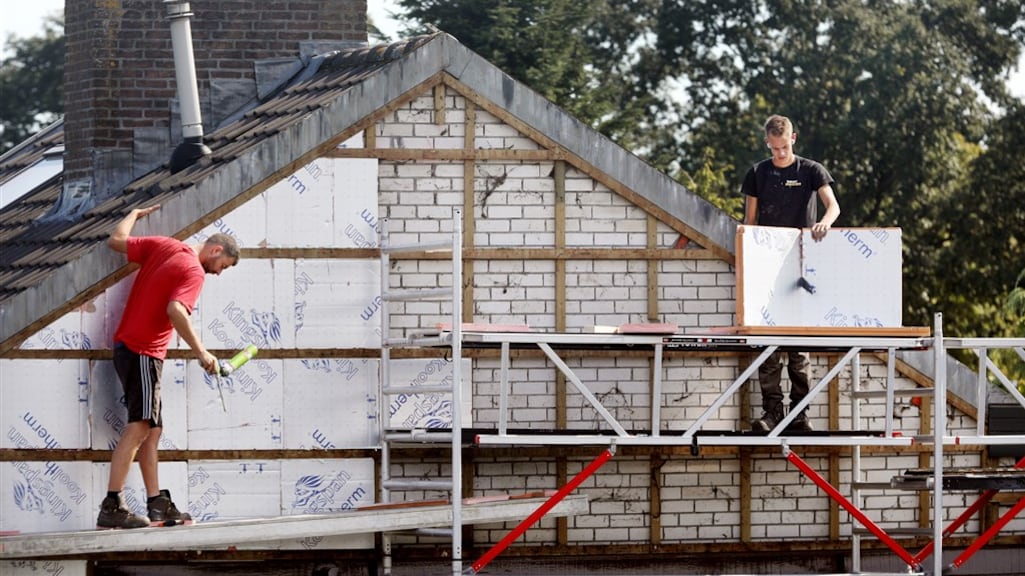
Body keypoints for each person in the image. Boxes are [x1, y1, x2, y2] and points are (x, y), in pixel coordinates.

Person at [97, 205, 239, 528]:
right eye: (223, 266)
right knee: (141, 425)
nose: (218, 273)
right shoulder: (194, 271)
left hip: (130, 348)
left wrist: (133, 213)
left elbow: (116, 240)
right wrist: (203, 353)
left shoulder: (166, 246)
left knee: (153, 429)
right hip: (142, 351)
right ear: (215, 250)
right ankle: (112, 505)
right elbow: (176, 310)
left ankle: (155, 501)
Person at [741, 114, 840, 433]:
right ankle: (772, 411)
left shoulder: (811, 170)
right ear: (767, 143)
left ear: (793, 139)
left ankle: (800, 413)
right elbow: (749, 222)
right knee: (767, 346)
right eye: (774, 149)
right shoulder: (758, 172)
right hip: (767, 267)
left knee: (798, 347)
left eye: (784, 147)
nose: (780, 154)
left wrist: (825, 222)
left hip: (801, 267)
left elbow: (833, 206)